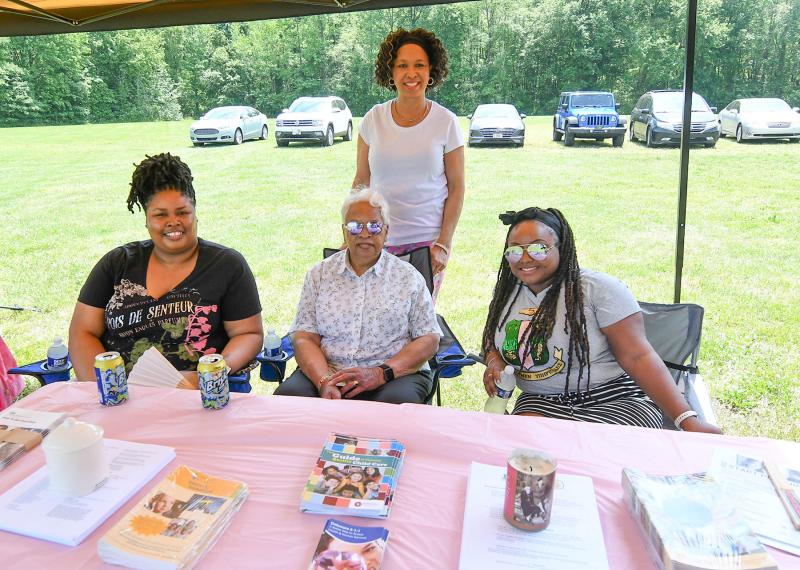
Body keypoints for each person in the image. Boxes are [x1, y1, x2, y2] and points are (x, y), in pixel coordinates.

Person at [481, 207, 722, 433]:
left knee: (599, 454)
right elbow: (492, 340)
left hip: (613, 399)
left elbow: (638, 357)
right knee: (523, 450)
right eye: (514, 250)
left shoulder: (598, 290)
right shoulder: (507, 294)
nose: (524, 259)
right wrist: (495, 362)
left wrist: (687, 420)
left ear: (561, 248)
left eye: (538, 248)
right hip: (540, 403)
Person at [68, 153, 263, 387]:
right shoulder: (117, 263)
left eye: (182, 212)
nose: (173, 222)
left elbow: (248, 334)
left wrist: (211, 374)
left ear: (195, 212)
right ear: (147, 219)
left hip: (199, 395)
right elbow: (83, 332)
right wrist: (103, 388)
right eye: (160, 215)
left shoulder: (227, 265)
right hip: (120, 397)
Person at [274, 188, 441, 404]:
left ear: (386, 231)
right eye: (354, 226)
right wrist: (324, 380)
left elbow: (429, 338)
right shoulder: (319, 275)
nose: (364, 234)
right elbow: (304, 337)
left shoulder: (408, 277)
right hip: (329, 372)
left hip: (392, 376)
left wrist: (381, 373)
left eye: (374, 226)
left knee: (392, 409)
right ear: (344, 231)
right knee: (288, 400)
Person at [352, 28, 465, 301]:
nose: (410, 73)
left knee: (418, 328)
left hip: (426, 247)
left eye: (419, 65)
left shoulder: (446, 122)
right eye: (402, 65)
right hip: (377, 240)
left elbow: (458, 187)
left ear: (431, 71)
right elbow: (361, 183)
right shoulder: (372, 120)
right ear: (390, 72)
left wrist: (444, 244)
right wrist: (354, 233)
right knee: (375, 322)